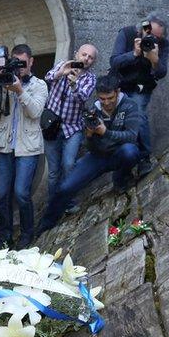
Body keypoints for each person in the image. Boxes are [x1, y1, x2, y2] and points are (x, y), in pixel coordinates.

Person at [37, 74, 142, 235]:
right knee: (65, 187)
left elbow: (131, 136)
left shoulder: (129, 106)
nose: (106, 103)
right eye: (102, 99)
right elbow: (91, 147)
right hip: (98, 156)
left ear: (117, 92)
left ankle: (121, 180)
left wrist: (105, 132)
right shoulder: (94, 111)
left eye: (110, 98)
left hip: (119, 153)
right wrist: (90, 136)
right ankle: (45, 226)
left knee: (130, 151)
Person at [0, 44, 47, 249]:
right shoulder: (5, 80)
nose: (19, 67)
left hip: (28, 148)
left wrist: (20, 90)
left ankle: (27, 233)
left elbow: (35, 111)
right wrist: (2, 85)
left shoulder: (39, 85)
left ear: (31, 62)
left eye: (23, 63)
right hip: (5, 146)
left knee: (21, 193)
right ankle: (5, 237)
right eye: (16, 62)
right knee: (2, 194)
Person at [109, 15, 169, 177]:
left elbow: (162, 72)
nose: (152, 40)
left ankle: (144, 158)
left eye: (156, 38)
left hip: (142, 87)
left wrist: (155, 60)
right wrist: (134, 53)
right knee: (119, 124)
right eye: (149, 35)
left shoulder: (163, 44)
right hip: (120, 86)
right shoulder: (127, 34)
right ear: (141, 30)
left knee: (137, 113)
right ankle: (124, 171)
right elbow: (114, 62)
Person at [43, 44, 98, 213]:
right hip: (52, 126)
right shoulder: (63, 64)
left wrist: (74, 84)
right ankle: (53, 205)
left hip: (72, 128)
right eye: (84, 54)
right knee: (53, 172)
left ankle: (69, 202)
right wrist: (62, 72)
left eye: (90, 57)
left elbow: (83, 97)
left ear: (93, 62)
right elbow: (48, 77)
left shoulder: (90, 79)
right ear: (77, 54)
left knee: (69, 164)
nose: (86, 59)